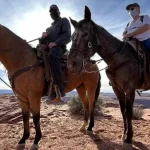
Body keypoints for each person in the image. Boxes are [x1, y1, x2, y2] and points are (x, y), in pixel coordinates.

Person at [41, 4, 71, 100]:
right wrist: (43, 38)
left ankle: (59, 88)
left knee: (52, 55)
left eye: (54, 10)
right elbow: (44, 42)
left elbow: (67, 35)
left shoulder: (64, 21)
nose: (52, 13)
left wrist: (56, 43)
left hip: (59, 47)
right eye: (50, 11)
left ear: (58, 11)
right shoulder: (49, 28)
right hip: (48, 47)